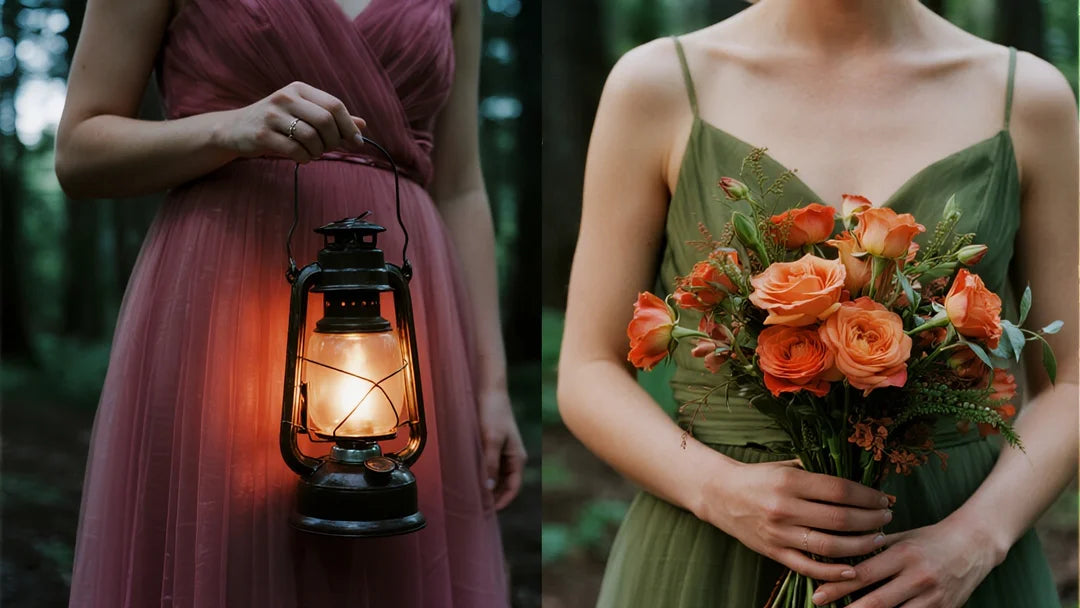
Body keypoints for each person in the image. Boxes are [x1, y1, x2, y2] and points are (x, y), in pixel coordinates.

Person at [558, 1, 1077, 606]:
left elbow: (1069, 381)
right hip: (714, 552)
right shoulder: (659, 85)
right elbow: (587, 370)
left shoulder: (1028, 97)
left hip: (952, 555)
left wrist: (976, 538)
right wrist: (717, 488)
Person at [55, 0, 525, 605]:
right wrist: (228, 128)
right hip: (224, 297)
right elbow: (79, 152)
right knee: (230, 549)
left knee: (389, 553)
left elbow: (460, 184)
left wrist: (490, 382)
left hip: (400, 318)